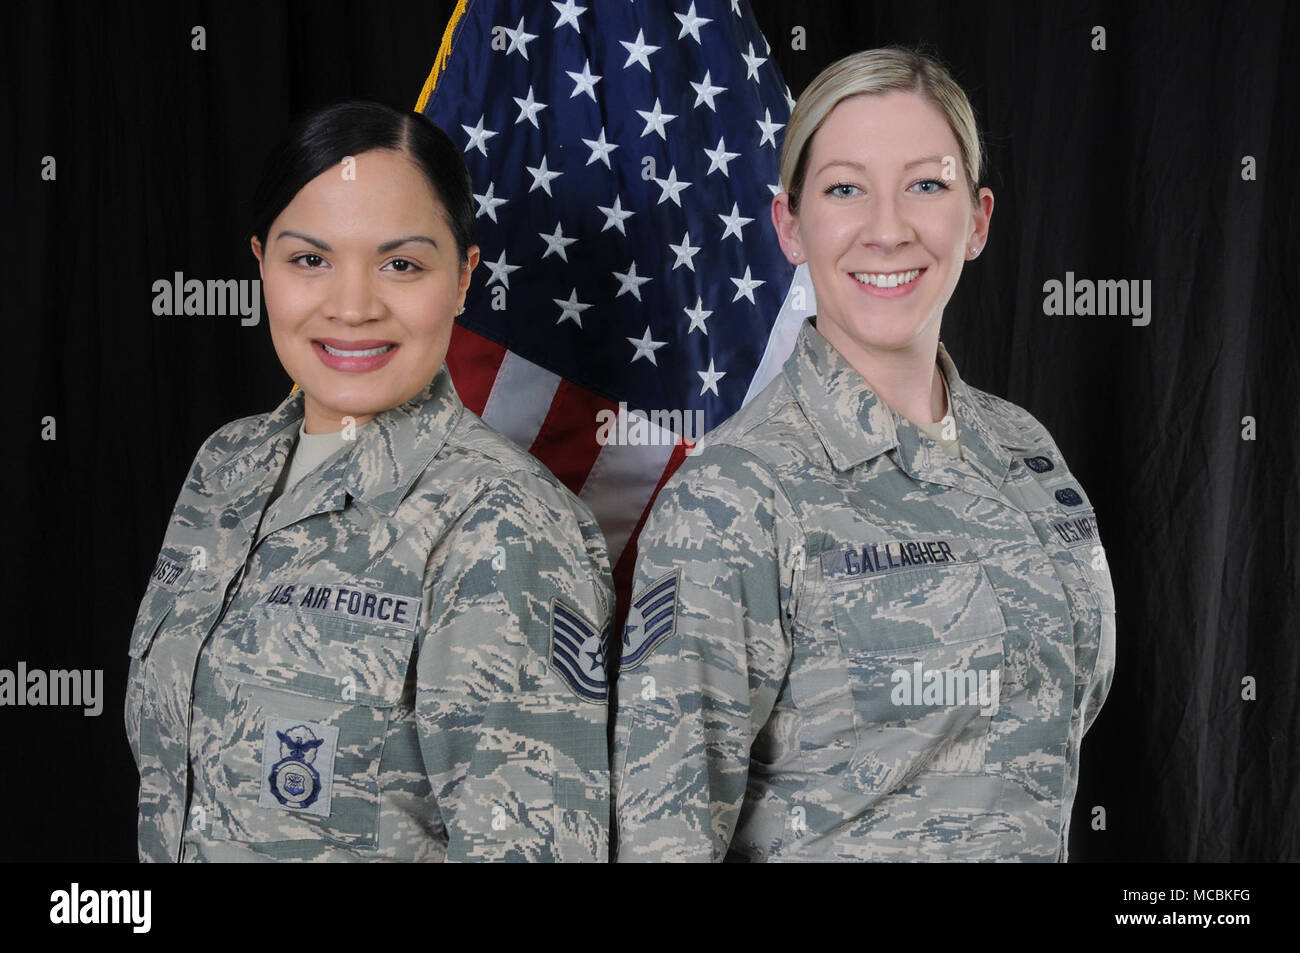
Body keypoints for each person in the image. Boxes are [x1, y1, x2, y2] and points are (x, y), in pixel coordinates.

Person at [612, 47, 1116, 862]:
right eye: (845, 188)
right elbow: (661, 839)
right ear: (790, 225)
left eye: (926, 184)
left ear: (977, 219)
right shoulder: (734, 496)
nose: (888, 229)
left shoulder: (1027, 451)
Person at [126, 101, 614, 862]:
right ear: (261, 264)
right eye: (309, 260)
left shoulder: (503, 523)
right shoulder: (226, 466)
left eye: (401, 264)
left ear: (461, 279)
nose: (352, 306)